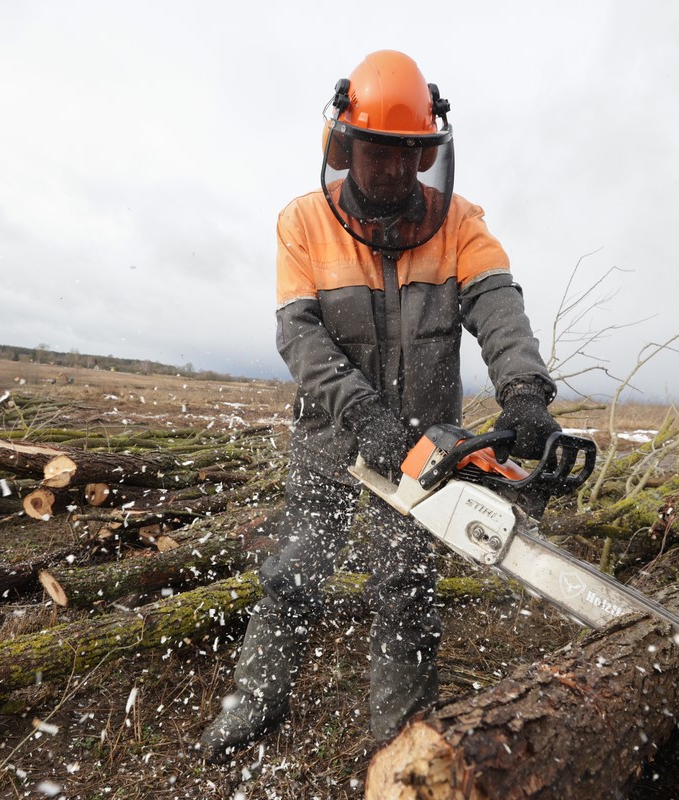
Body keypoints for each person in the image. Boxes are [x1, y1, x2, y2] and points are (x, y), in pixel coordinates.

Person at [198, 50, 562, 763]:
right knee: (294, 574)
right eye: (380, 155)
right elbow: (297, 335)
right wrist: (362, 414)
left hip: (423, 448)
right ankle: (254, 702)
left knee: (406, 587)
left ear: (431, 152)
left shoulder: (459, 223)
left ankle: (400, 741)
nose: (397, 171)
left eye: (412, 156)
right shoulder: (304, 224)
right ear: (345, 147)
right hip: (334, 442)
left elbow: (498, 308)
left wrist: (524, 391)